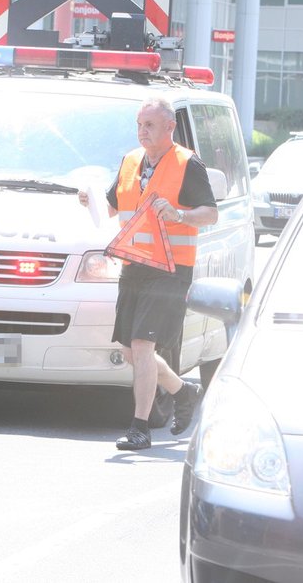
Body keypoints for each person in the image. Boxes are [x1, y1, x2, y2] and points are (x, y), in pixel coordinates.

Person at [78, 97, 218, 450]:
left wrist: (180, 214)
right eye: (140, 124)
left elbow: (211, 214)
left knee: (142, 345)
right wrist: (88, 199)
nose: (143, 131)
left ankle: (140, 428)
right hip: (134, 266)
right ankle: (183, 391)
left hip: (169, 270)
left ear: (170, 128)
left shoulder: (187, 164)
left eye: (150, 125)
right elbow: (112, 207)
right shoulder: (130, 162)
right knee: (129, 350)